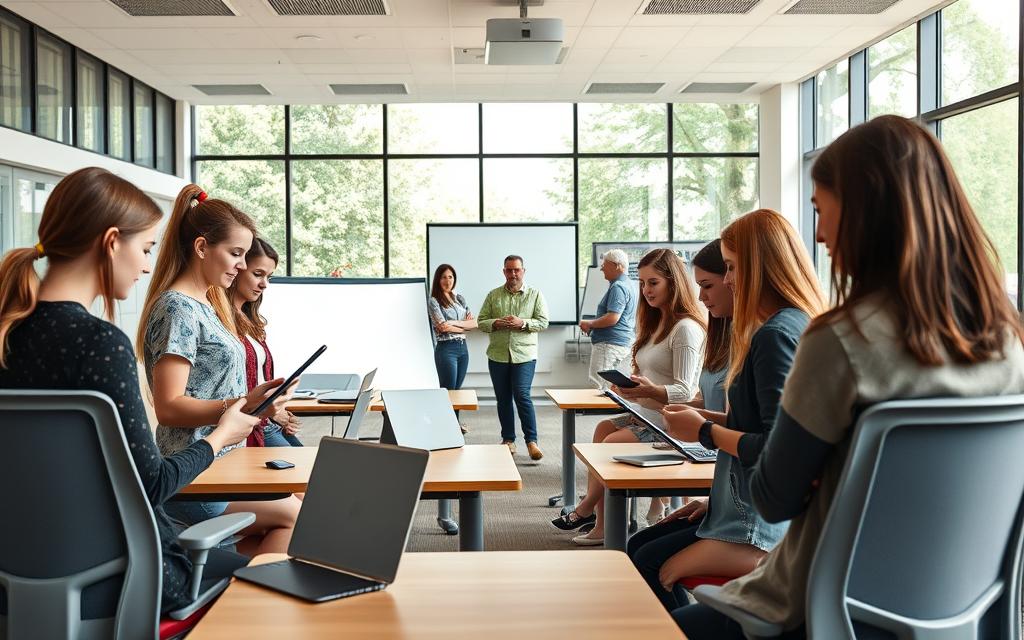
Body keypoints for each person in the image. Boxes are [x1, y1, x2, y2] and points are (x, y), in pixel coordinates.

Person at [671, 116, 1024, 639]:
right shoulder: (1007, 343)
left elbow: (773, 496)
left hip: (823, 611)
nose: (818, 233)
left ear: (865, 209)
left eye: (820, 210)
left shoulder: (840, 340)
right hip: (963, 614)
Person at [0, 167, 259, 614]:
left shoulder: (7, 336)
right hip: (119, 579)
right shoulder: (99, 346)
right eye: (144, 249)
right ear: (112, 242)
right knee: (267, 580)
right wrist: (221, 435)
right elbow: (151, 485)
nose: (144, 265)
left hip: (13, 579)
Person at [628, 216, 825, 607]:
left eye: (731, 268)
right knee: (642, 545)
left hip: (758, 523)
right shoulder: (789, 326)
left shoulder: (774, 336)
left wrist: (704, 432)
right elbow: (763, 427)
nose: (729, 279)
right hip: (745, 506)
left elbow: (777, 449)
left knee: (651, 563)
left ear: (759, 267)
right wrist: (714, 498)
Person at [137, 184, 301, 555]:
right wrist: (233, 408)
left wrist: (249, 402)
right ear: (201, 248)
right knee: (297, 516)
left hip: (224, 464)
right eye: (236, 253)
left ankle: (236, 600)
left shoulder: (206, 306)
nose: (243, 266)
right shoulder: (177, 308)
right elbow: (169, 406)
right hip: (195, 471)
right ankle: (245, 603)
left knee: (277, 528)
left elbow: (210, 391)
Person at [554, 248, 706, 545]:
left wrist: (647, 390)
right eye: (643, 284)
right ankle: (603, 523)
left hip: (671, 421)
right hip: (648, 412)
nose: (646, 291)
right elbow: (651, 376)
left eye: (653, 283)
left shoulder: (686, 328)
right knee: (602, 430)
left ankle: (587, 511)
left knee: (610, 444)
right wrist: (631, 389)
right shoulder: (657, 323)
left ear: (673, 283)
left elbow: (686, 391)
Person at [227, 237, 302, 447]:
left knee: (317, 468)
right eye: (258, 274)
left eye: (269, 276)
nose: (264, 284)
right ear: (238, 268)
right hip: (253, 425)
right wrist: (267, 411)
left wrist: (278, 408)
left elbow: (258, 381)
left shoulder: (251, 322)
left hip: (267, 422)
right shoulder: (221, 324)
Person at [477, 255, 549, 460]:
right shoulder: (493, 295)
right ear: (504, 272)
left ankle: (531, 441)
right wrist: (496, 323)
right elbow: (481, 322)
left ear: (523, 271)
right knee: (503, 399)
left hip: (525, 355)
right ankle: (508, 440)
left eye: (516, 270)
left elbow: (543, 322)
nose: (513, 274)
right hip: (498, 355)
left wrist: (523, 323)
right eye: (509, 270)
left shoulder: (535, 295)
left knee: (522, 395)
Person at [428, 263, 477, 432]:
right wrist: (463, 326)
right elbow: (442, 327)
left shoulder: (460, 299)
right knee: (448, 390)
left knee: (456, 392)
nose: (448, 280)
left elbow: (473, 324)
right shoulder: (434, 301)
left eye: (450, 277)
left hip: (463, 349)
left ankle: (453, 425)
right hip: (446, 349)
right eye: (444, 277)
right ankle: (446, 426)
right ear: (438, 280)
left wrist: (455, 324)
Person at [580, 248, 636, 389]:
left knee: (599, 386)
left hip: (609, 346)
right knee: (610, 387)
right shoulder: (630, 284)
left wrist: (590, 323)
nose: (601, 268)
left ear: (616, 266)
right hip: (619, 344)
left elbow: (612, 318)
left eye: (605, 264)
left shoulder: (618, 287)